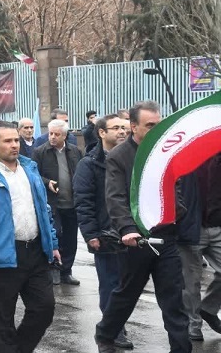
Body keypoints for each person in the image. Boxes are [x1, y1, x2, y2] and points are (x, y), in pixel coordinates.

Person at [95, 101, 191, 353]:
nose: (156, 129)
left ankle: (181, 348)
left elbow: (175, 187)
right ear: (134, 126)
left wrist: (177, 210)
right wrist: (127, 228)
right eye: (150, 125)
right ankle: (105, 335)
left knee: (173, 299)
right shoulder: (119, 156)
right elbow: (115, 197)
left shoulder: (165, 152)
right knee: (126, 294)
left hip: (166, 237)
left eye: (158, 124)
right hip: (136, 240)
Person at [0, 121, 60, 353]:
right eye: (7, 141)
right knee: (2, 319)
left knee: (44, 308)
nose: (14, 145)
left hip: (35, 251)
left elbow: (44, 209)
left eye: (16, 140)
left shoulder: (30, 170)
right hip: (3, 255)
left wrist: (52, 243)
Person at [73, 114, 133, 349]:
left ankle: (117, 325)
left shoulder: (132, 157)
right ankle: (112, 329)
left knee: (127, 285)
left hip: (131, 232)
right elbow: (84, 201)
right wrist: (91, 235)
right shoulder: (89, 164)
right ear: (101, 133)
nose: (122, 132)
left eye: (124, 128)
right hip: (106, 234)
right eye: (116, 128)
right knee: (111, 285)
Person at [32, 119, 82, 285]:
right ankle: (54, 269)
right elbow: (33, 176)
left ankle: (66, 271)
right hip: (52, 203)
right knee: (56, 236)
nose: (52, 137)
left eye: (57, 134)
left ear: (65, 136)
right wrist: (47, 183)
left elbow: (81, 173)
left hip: (72, 203)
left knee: (70, 239)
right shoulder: (40, 152)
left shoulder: (75, 151)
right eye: (50, 133)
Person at [178, 153, 221, 341]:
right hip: (191, 226)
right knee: (190, 281)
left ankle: (208, 308)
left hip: (217, 225)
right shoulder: (186, 156)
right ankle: (192, 324)